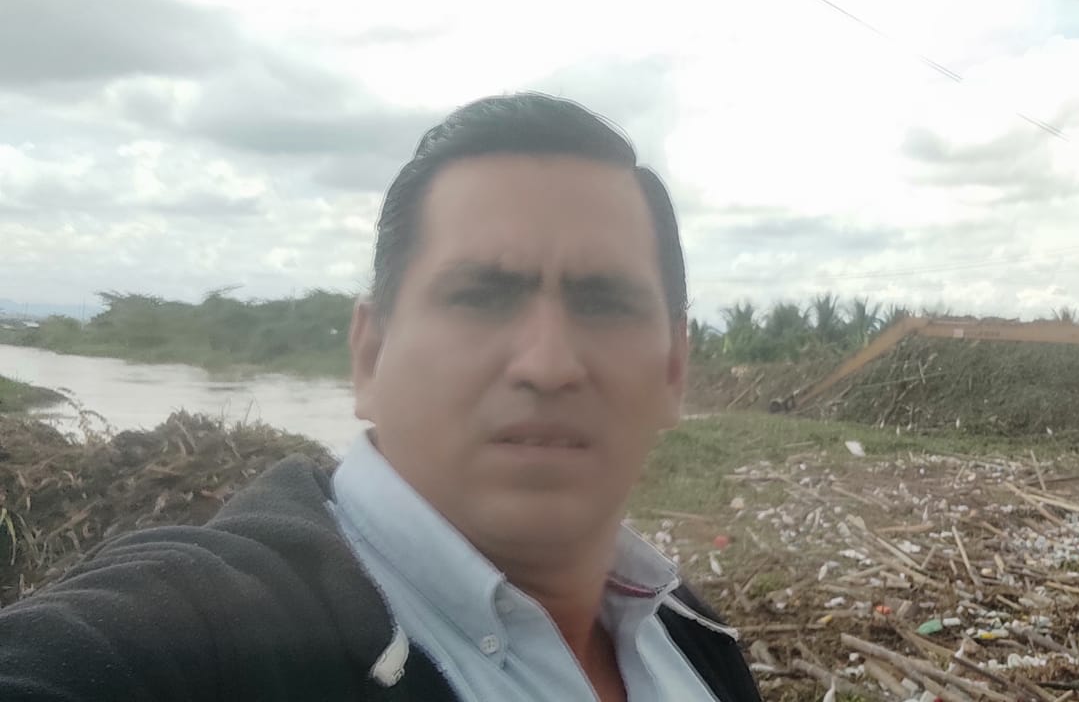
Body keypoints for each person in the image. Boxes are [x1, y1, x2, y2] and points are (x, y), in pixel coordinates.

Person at [0, 93, 762, 702]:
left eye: (603, 302)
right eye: (480, 296)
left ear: (673, 371)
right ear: (369, 355)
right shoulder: (209, 629)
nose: (548, 364)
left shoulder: (689, 636)